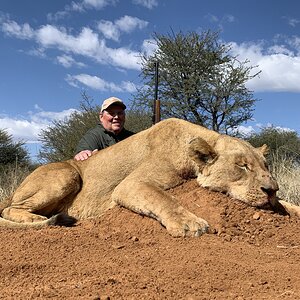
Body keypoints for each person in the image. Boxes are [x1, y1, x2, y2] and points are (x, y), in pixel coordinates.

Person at [74, 96, 134, 161]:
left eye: (120, 113)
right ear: (101, 117)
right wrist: (83, 153)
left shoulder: (132, 137)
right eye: (111, 113)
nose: (116, 117)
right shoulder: (94, 135)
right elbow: (83, 150)